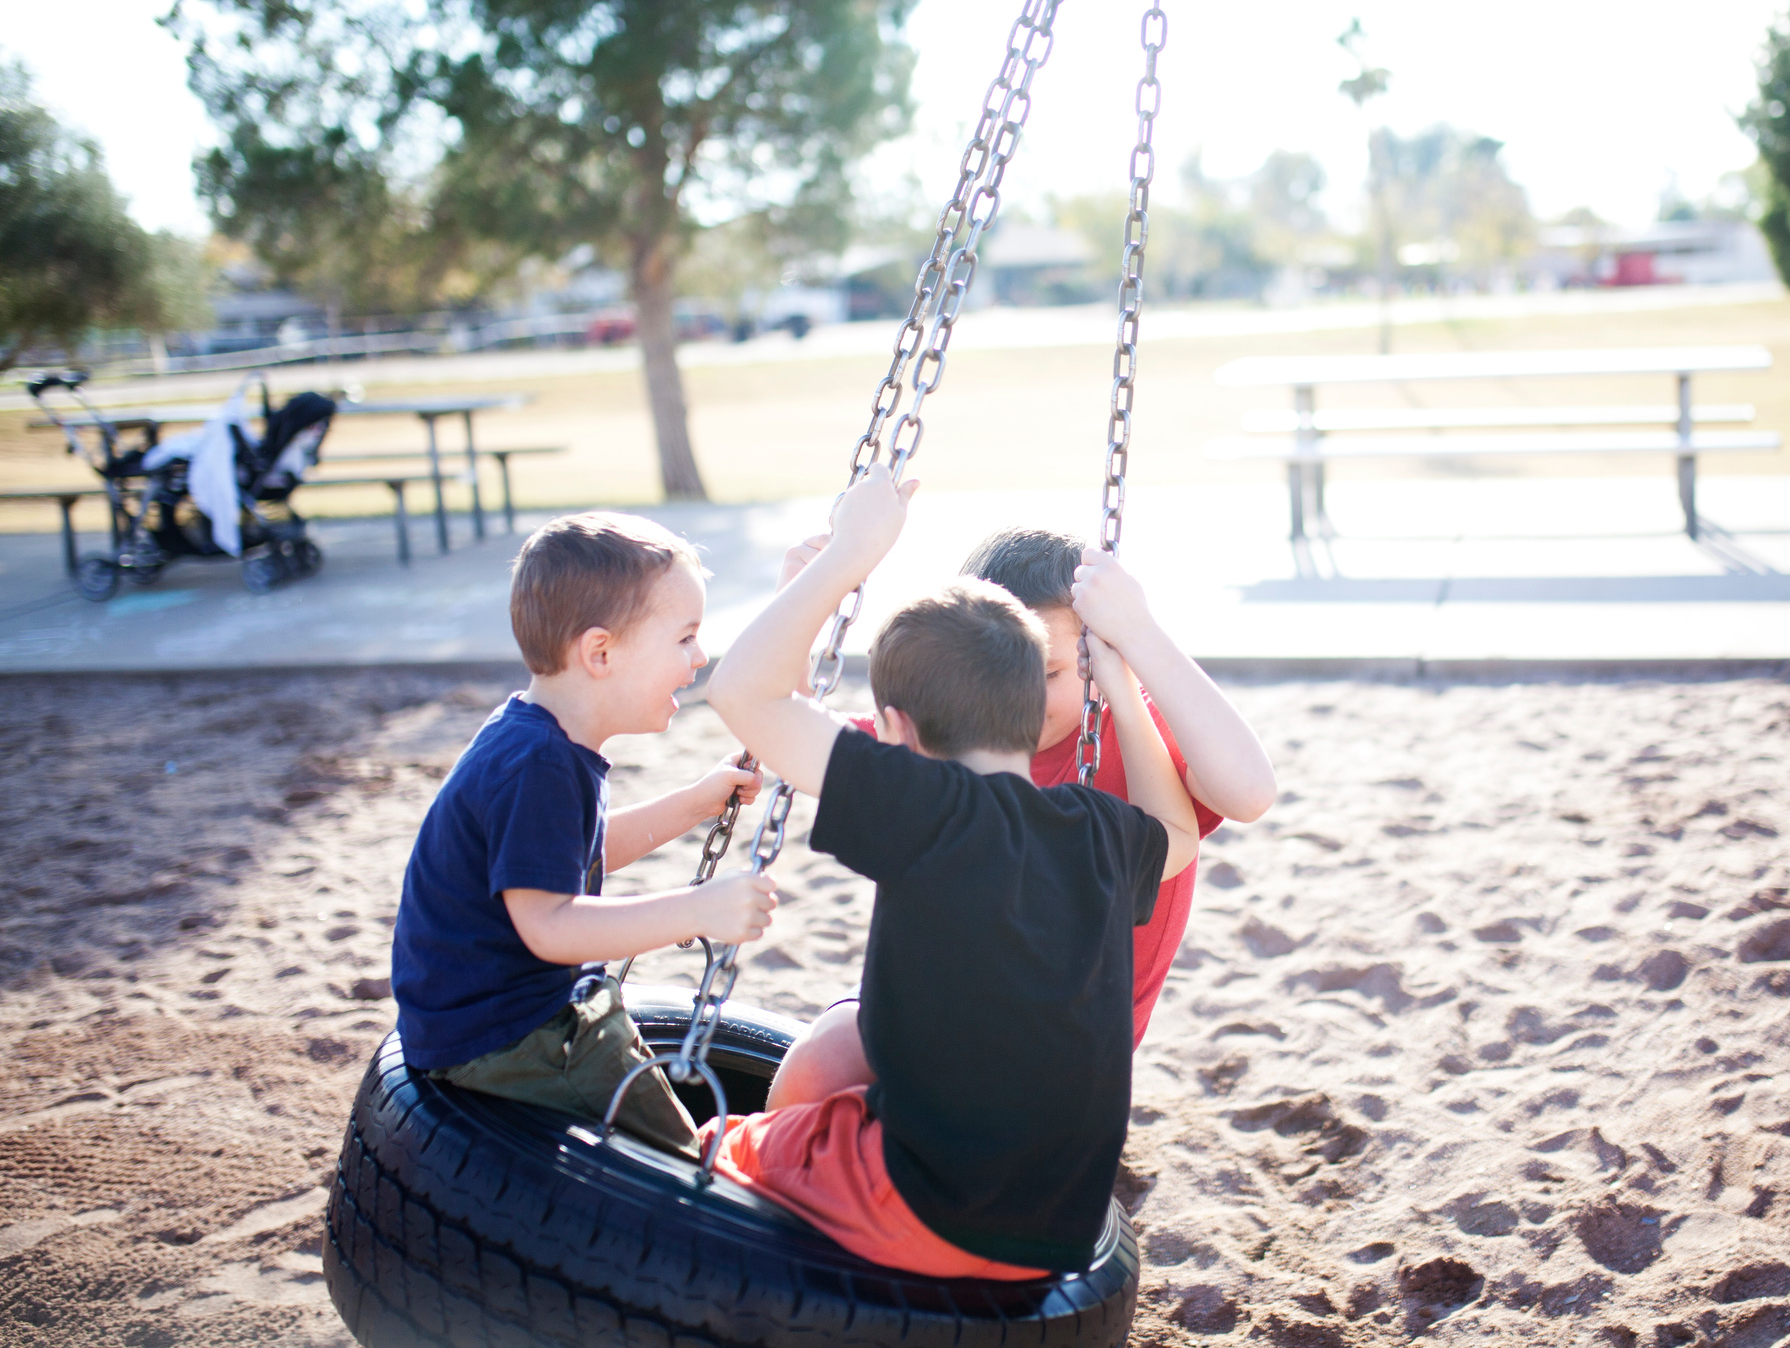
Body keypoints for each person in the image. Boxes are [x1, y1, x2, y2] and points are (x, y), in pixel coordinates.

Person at [700, 469, 1201, 1279]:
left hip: (926, 1212)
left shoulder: (922, 808)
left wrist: (847, 560)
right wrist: (1120, 681)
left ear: (894, 731)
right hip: (1060, 1235)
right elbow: (1177, 831)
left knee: (705, 1154)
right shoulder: (1099, 829)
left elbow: (738, 691)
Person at [775, 525, 1275, 1055]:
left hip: (1073, 1045)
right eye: (998, 673)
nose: (1023, 695)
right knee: (821, 1054)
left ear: (1094, 655)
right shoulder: (945, 731)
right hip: (947, 1017)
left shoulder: (1134, 732)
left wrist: (1138, 636)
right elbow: (796, 732)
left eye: (1050, 671)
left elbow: (1249, 793)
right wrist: (798, 605)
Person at [390, 512, 779, 1156]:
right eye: (684, 637)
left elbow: (578, 858)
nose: (699, 657)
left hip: (487, 1019)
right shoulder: (537, 764)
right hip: (511, 1036)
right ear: (600, 653)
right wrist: (696, 909)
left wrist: (692, 804)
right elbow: (549, 926)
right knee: (683, 1162)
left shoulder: (537, 736)